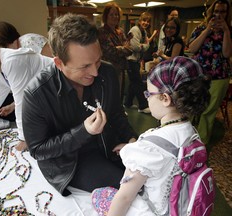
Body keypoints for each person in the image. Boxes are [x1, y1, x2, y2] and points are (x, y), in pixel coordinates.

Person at [22, 13, 137, 196]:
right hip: (71, 160)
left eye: (97, 60)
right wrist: (83, 132)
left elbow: (116, 114)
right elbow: (38, 150)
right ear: (59, 63)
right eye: (84, 67)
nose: (95, 72)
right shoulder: (36, 94)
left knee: (149, 174)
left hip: (108, 145)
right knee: (131, 188)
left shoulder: (107, 73)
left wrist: (132, 142)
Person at [92, 56, 211, 216]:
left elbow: (125, 197)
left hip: (148, 211)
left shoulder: (149, 147)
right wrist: (132, 148)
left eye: (149, 93)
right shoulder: (192, 134)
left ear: (165, 98)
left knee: (99, 195)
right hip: (177, 209)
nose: (146, 98)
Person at [0, 21, 53, 120]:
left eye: (5, 49)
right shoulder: (6, 61)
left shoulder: (31, 41)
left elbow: (54, 69)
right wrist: (13, 106)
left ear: (14, 41)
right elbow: (26, 88)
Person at [188, 0, 232, 144]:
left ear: (227, 13)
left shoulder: (230, 31)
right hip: (198, 75)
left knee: (209, 112)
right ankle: (185, 138)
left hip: (220, 76)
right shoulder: (200, 28)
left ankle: (201, 143)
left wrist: (225, 30)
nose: (219, 15)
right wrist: (207, 30)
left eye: (222, 11)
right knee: (192, 107)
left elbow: (226, 54)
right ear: (211, 12)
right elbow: (192, 49)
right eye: (216, 11)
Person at [98, 2, 132, 102]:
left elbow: (130, 49)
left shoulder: (120, 32)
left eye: (116, 14)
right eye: (111, 14)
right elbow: (110, 51)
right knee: (108, 96)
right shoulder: (101, 32)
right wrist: (123, 48)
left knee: (118, 96)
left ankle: (117, 115)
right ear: (106, 16)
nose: (114, 17)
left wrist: (120, 48)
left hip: (120, 69)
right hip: (107, 70)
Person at [124, 12, 152, 113]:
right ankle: (143, 106)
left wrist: (142, 46)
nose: (146, 23)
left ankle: (127, 103)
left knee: (133, 83)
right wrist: (145, 46)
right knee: (138, 83)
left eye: (148, 22)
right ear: (140, 21)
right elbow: (135, 47)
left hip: (136, 60)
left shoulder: (143, 31)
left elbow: (142, 46)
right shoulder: (135, 30)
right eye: (144, 21)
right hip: (130, 60)